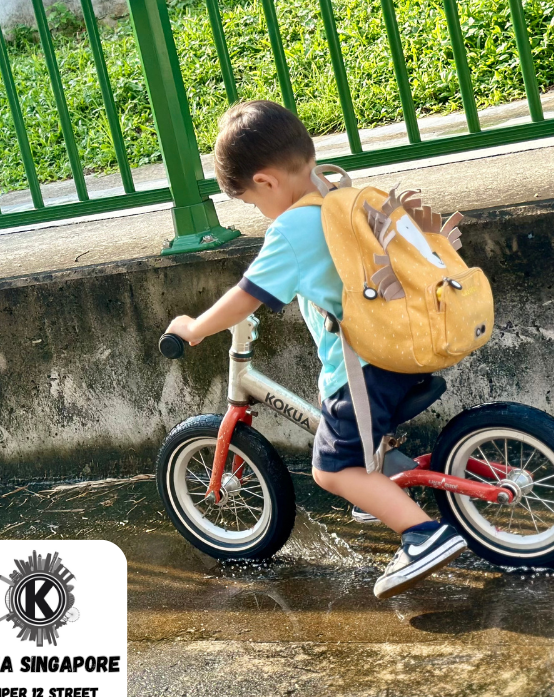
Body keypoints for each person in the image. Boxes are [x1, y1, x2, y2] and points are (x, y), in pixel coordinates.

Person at [165, 100, 467, 598]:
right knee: (348, 428)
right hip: (408, 341)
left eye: (250, 202)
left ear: (265, 182)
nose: (259, 213)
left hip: (367, 365)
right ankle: (380, 482)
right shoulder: (338, 191)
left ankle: (420, 535)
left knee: (331, 468)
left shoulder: (291, 229)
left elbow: (247, 295)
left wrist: (196, 327)